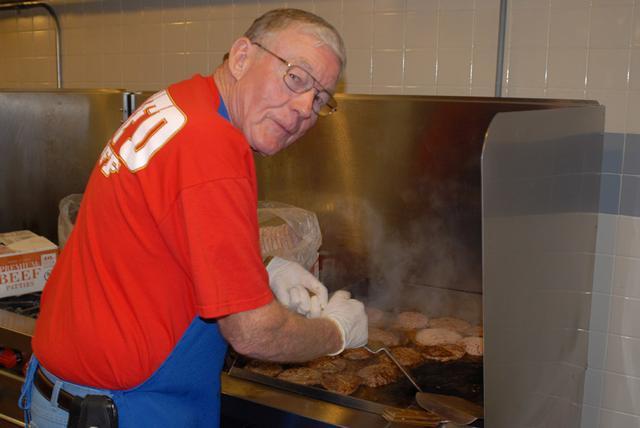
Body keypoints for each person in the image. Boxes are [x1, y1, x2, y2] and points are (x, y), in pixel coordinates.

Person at [19, 8, 368, 427]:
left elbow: (163, 232)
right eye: (296, 78)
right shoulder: (212, 147)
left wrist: (263, 268)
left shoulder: (183, 104)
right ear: (241, 57)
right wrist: (335, 334)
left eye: (320, 99)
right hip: (121, 410)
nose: (303, 108)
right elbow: (251, 332)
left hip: (80, 395)